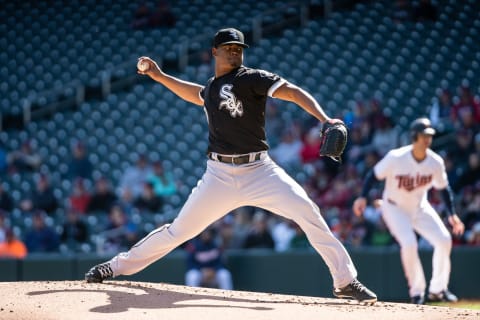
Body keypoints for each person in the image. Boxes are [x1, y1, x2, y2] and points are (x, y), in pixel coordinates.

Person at [85, 28, 377, 304]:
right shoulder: (211, 88)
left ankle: (345, 281)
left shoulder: (251, 78)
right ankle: (115, 266)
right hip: (219, 176)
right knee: (177, 232)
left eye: (239, 49)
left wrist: (325, 120)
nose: (235, 53)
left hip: (261, 171)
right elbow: (195, 94)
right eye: (229, 48)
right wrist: (159, 75)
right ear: (214, 52)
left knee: (309, 214)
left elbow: (292, 91)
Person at [352, 117, 465, 305]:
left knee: (444, 239)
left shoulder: (435, 162)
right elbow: (374, 174)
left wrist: (452, 213)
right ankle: (417, 292)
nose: (427, 139)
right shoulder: (396, 157)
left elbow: (443, 188)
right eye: (423, 135)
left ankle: (438, 290)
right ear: (414, 136)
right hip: (394, 208)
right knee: (409, 243)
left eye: (429, 135)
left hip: (419, 207)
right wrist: (363, 196)